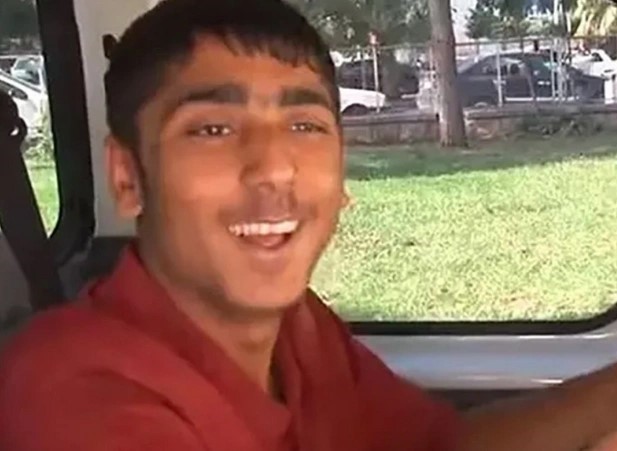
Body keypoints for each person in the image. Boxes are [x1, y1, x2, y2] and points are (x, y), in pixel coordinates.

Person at [1, 0, 617, 449]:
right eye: (212, 129)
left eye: (305, 126)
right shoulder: (70, 394)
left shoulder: (300, 330)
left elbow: (441, 446)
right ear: (127, 177)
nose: (276, 168)